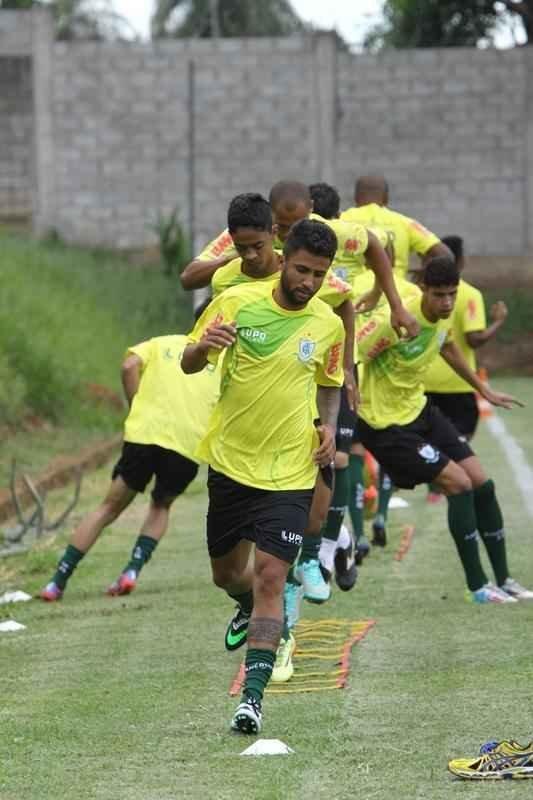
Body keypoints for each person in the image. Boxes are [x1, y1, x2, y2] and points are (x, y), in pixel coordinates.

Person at [181, 219, 345, 734]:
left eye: (319, 275)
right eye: (301, 270)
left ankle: (251, 699)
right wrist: (205, 344)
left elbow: (329, 383)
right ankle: (243, 605)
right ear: (282, 258)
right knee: (229, 575)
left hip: (292, 469)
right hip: (231, 462)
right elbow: (188, 363)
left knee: (274, 576)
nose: (309, 283)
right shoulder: (236, 303)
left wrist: (330, 430)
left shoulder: (328, 324)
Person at [356, 256, 533, 604]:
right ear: (423, 288)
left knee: (483, 483)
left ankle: (505, 579)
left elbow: (448, 346)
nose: (448, 302)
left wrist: (484, 390)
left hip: (421, 411)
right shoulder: (396, 321)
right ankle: (478, 587)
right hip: (387, 425)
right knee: (459, 483)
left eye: (452, 293)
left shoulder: (442, 317)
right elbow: (353, 354)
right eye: (439, 294)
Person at [39, 324, 220, 601]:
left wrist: (136, 405)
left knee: (108, 507)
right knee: (161, 506)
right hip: (186, 443)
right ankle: (132, 571)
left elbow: (128, 366)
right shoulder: (223, 363)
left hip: (144, 435)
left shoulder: (163, 343)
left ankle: (57, 581)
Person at [424, 235, 508, 502]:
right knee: (458, 442)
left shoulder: (418, 293)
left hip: (424, 381)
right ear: (461, 260)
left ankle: (438, 480)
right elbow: (474, 338)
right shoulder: (470, 294)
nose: (447, 301)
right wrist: (498, 322)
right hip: (457, 383)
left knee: (434, 436)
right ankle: (445, 479)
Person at [340, 174, 451, 278]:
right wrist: (425, 275)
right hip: (397, 293)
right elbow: (445, 254)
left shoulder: (341, 219)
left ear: (356, 197)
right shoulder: (404, 223)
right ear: (386, 198)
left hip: (353, 294)